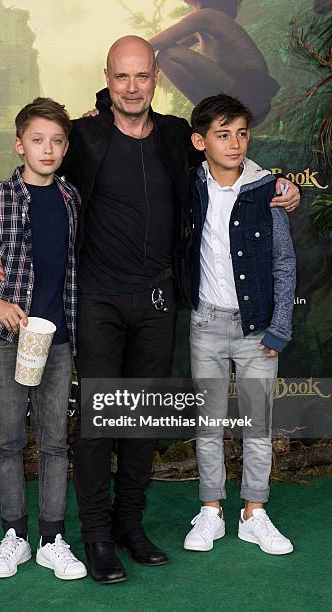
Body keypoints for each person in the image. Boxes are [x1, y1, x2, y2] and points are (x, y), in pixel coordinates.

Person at [0, 36, 301, 583]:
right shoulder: (82, 136)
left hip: (158, 300)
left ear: (156, 78)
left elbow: (229, 156)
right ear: (107, 78)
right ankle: (97, 536)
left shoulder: (179, 136)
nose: (133, 87)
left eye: (143, 77)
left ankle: (131, 526)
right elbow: (34, 179)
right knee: (103, 420)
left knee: (140, 420)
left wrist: (282, 186)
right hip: (98, 299)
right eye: (122, 77)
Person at [0, 98, 87, 580]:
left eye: (56, 141)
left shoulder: (71, 200)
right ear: (19, 144)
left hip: (59, 340)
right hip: (3, 339)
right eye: (37, 140)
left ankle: (52, 538)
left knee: (54, 443)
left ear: (66, 147)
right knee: (7, 441)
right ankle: (15, 537)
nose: (46, 149)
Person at [184, 94, 295, 555]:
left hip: (257, 330)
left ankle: (254, 512)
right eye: (222, 134)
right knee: (208, 426)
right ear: (199, 140)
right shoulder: (189, 186)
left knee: (258, 427)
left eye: (242, 133)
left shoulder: (266, 190)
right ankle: (210, 510)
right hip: (205, 324)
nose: (234, 143)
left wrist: (279, 327)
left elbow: (284, 264)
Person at [148, 0, 279, 125]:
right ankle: (211, 115)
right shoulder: (204, 19)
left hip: (249, 96)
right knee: (163, 54)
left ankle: (208, 116)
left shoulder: (207, 16)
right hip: (246, 101)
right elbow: (163, 43)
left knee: (167, 55)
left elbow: (154, 43)